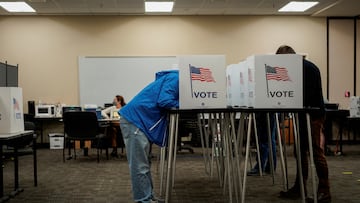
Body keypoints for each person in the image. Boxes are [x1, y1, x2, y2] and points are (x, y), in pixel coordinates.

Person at [276, 45, 331, 203]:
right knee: (299, 151)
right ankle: (300, 187)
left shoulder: (308, 68)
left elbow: (305, 94)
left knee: (315, 152)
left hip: (313, 115)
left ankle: (324, 191)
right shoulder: (297, 68)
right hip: (302, 115)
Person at [119, 69, 179, 203]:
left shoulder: (173, 78)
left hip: (139, 120)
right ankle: (143, 200)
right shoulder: (176, 78)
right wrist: (184, 105)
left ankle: (148, 197)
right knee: (139, 165)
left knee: (144, 164)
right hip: (136, 121)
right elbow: (164, 101)